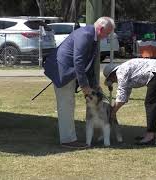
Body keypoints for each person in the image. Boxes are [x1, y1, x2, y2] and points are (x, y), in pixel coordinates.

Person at [43, 17, 115, 148]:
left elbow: (90, 64)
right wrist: (84, 86)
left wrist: (94, 84)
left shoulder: (93, 37)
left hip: (68, 71)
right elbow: (79, 61)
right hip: (62, 71)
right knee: (66, 104)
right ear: (101, 29)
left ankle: (68, 137)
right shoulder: (86, 35)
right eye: (107, 33)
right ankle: (67, 140)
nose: (107, 36)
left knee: (69, 103)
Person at [103, 58, 156, 145]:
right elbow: (125, 94)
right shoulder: (124, 71)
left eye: (112, 80)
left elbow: (121, 95)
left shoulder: (120, 72)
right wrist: (115, 109)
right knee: (151, 102)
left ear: (112, 75)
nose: (114, 82)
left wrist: (113, 111)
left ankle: (150, 136)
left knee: (151, 102)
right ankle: (150, 134)